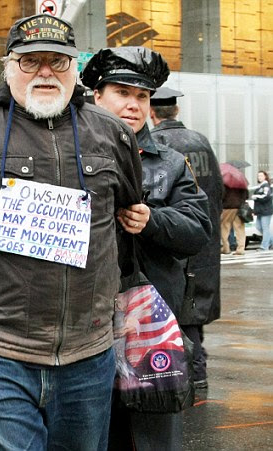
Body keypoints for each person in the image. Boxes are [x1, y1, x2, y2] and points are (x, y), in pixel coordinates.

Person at [0, 14, 149, 450]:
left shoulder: (111, 133)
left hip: (87, 348)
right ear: (8, 66)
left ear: (75, 69)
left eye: (58, 62)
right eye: (31, 60)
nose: (45, 71)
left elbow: (124, 209)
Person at [81, 46, 212, 450]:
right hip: (84, 325)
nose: (134, 104)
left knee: (153, 438)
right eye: (122, 92)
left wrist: (153, 221)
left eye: (142, 96)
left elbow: (198, 229)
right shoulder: (65, 155)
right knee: (90, 432)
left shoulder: (171, 162)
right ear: (97, 96)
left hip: (150, 328)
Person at [149, 86, 223, 389]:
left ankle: (194, 372)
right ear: (175, 111)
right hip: (204, 235)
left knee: (180, 308)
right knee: (197, 304)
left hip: (176, 237)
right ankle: (198, 366)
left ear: (152, 113)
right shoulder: (201, 141)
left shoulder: (158, 143)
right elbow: (217, 189)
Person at [220, 176, 248, 255]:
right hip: (239, 207)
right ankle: (240, 249)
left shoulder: (224, 182)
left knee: (224, 227)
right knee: (239, 228)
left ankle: (226, 248)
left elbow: (221, 195)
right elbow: (246, 195)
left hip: (227, 207)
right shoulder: (241, 182)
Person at [252, 170, 273, 251]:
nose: (259, 177)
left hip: (266, 210)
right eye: (258, 176)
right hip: (260, 211)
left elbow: (266, 196)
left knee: (265, 228)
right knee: (258, 227)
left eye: (261, 175)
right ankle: (270, 241)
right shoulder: (260, 186)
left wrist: (256, 196)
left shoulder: (266, 186)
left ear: (265, 176)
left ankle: (264, 246)